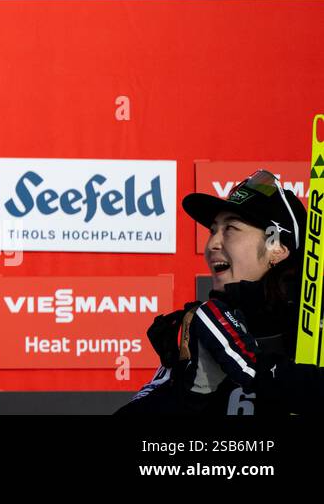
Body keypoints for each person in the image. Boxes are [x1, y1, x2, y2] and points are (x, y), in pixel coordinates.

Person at [116, 169, 324, 414]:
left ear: (276, 247)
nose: (212, 243)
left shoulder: (313, 322)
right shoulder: (206, 324)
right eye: (213, 230)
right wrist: (192, 395)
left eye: (231, 229)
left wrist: (253, 366)